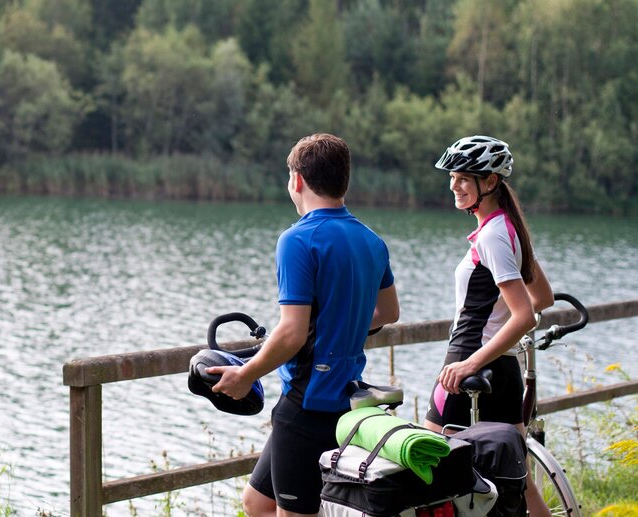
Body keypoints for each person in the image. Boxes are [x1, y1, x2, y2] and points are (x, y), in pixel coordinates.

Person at [208, 133, 400, 517]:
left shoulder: (297, 239)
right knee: (256, 503)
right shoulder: (371, 241)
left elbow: (292, 332)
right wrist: (339, 326)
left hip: (306, 404)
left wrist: (245, 374)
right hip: (345, 400)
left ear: (297, 180)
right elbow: (389, 313)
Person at [423, 135, 554, 517]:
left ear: (491, 181)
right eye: (453, 176)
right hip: (505, 371)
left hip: (466, 369)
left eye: (464, 177)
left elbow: (525, 315)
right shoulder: (506, 228)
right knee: (520, 484)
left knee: (426, 473)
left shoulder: (494, 235)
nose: (454, 185)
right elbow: (542, 297)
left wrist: (468, 364)